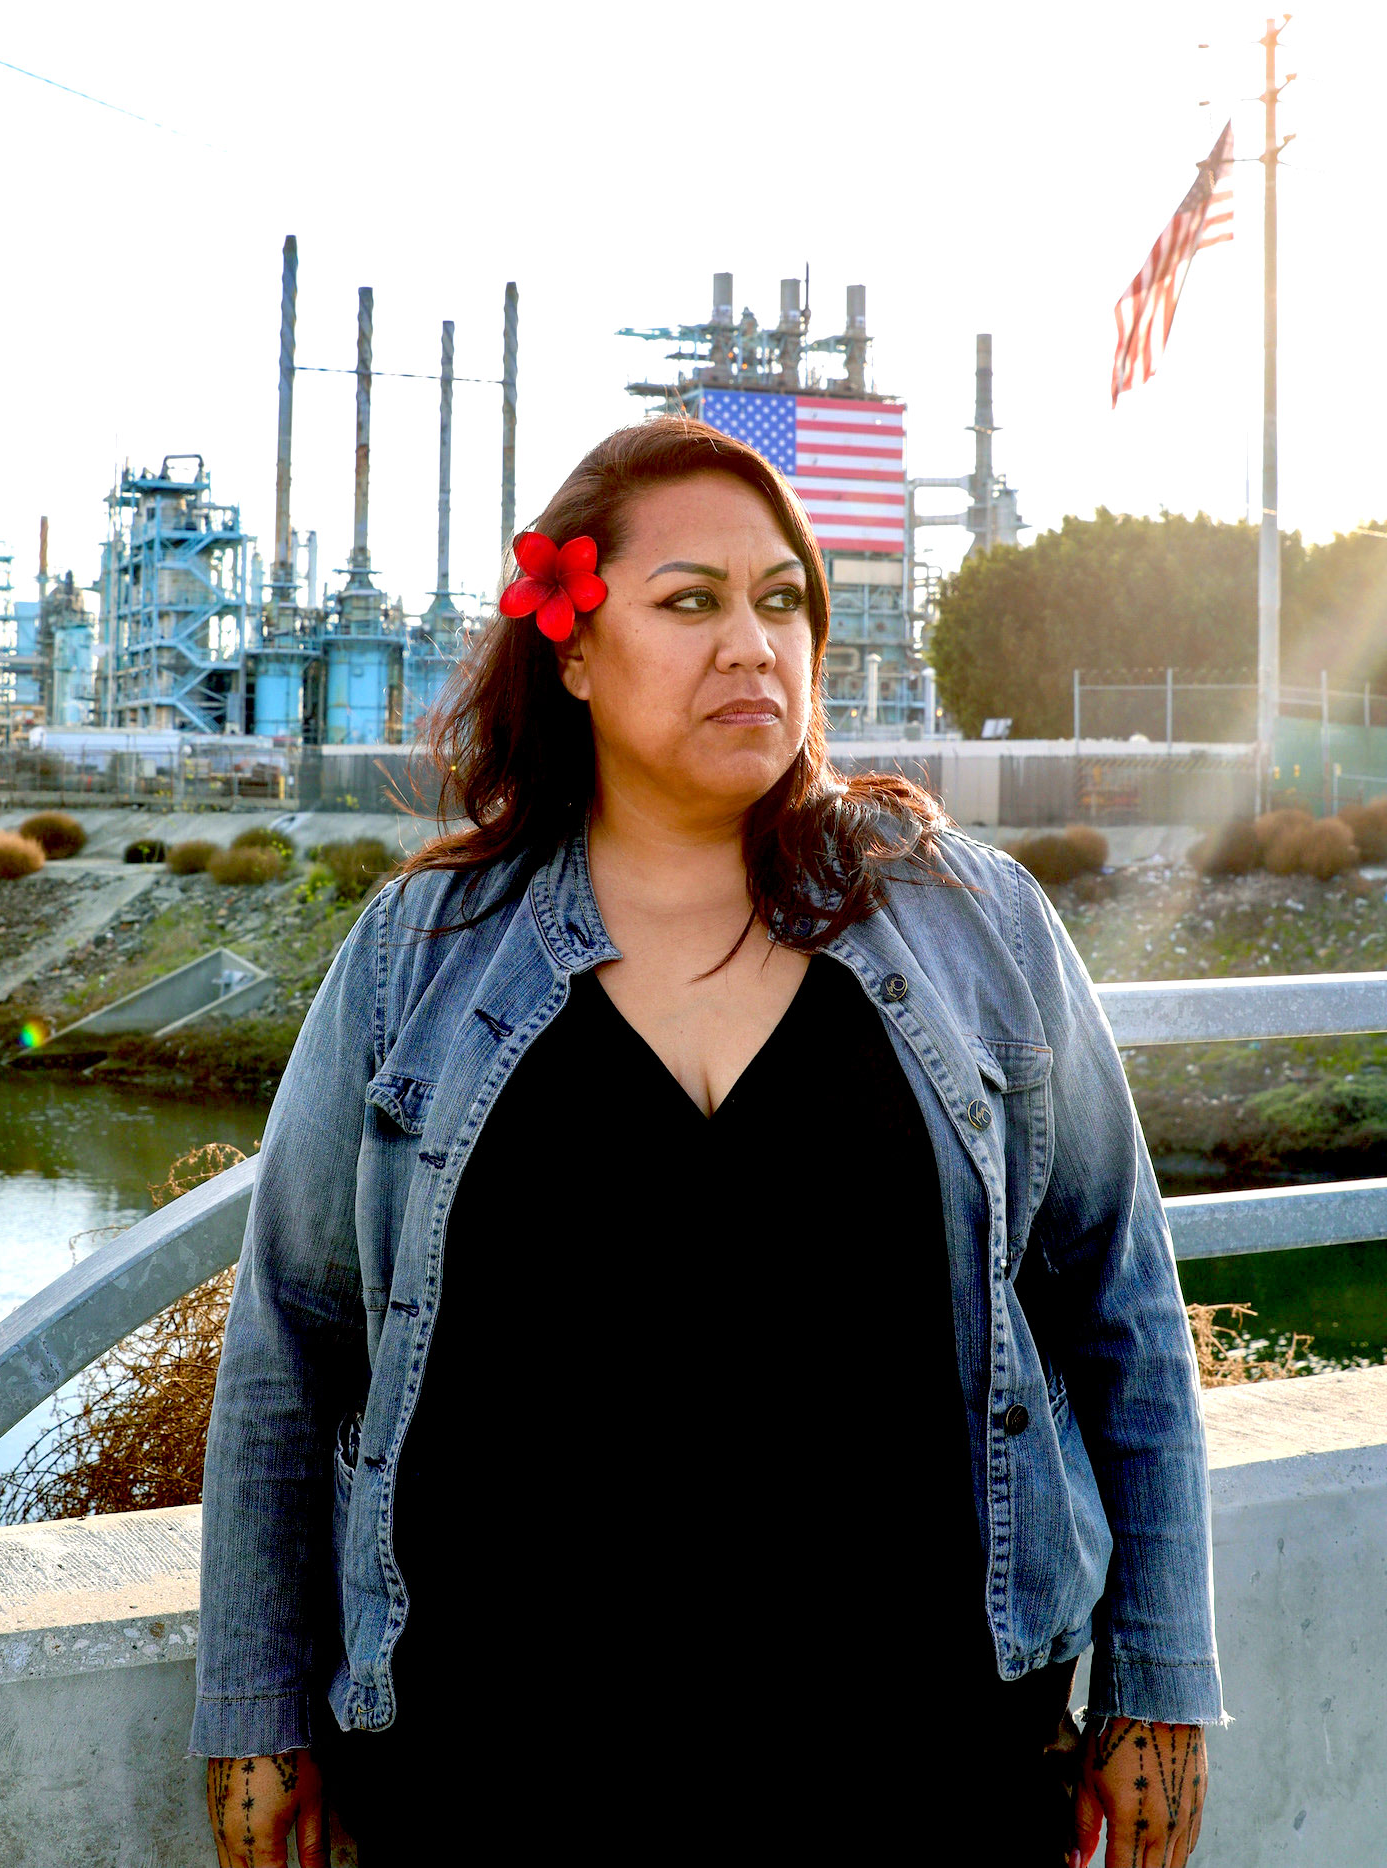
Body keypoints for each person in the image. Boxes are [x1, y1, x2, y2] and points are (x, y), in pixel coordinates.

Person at [193, 419, 1221, 1867]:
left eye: (782, 598)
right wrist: (257, 1710)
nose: (753, 642)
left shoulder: (972, 924)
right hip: (500, 1779)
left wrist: (1159, 1685)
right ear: (573, 649)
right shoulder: (417, 960)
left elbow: (1124, 1309)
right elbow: (292, 1348)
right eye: (691, 601)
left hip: (924, 1775)